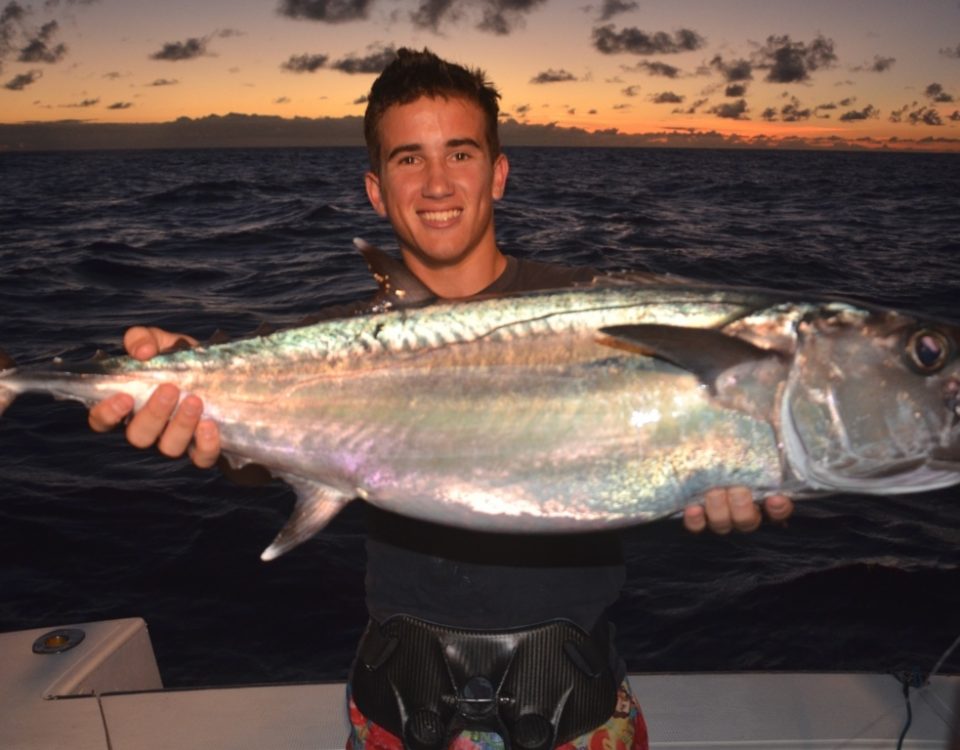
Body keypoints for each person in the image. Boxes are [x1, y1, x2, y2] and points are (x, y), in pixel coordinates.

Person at [89, 49, 793, 750]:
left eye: (459, 154)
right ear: (375, 189)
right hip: (398, 714)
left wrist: (724, 464)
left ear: (499, 172)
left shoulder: (597, 311)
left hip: (578, 717)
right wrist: (196, 411)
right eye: (407, 159)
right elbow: (268, 458)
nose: (435, 183)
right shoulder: (333, 342)